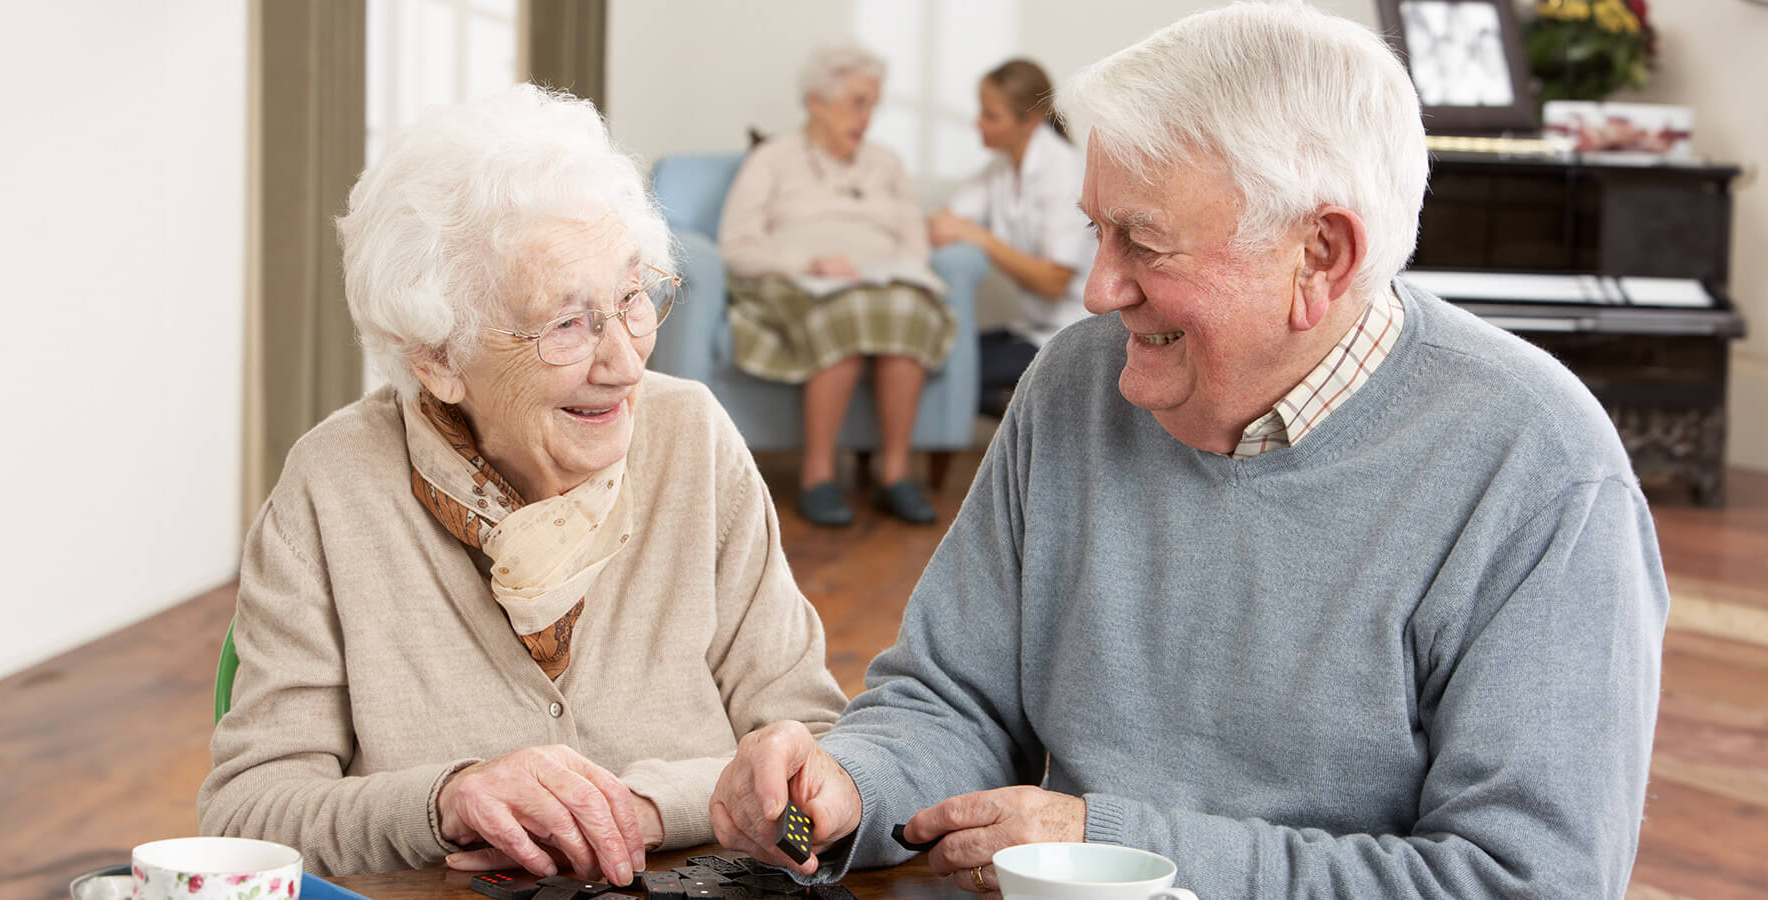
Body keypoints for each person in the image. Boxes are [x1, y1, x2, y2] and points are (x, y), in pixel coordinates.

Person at [708, 5, 1669, 899]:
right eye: (1097, 229)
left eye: (1144, 242)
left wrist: (1120, 847)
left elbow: (1528, 881)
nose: (1095, 287)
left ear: (1321, 256)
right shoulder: (1075, 383)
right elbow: (953, 699)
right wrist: (850, 785)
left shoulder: (1541, 467)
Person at [198, 85, 848, 882]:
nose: (625, 361)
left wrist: (640, 811)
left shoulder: (693, 441)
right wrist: (446, 801)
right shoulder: (333, 488)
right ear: (434, 356)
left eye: (632, 297)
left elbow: (813, 758)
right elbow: (246, 816)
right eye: (566, 324)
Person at [717, 45, 953, 528]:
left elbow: (913, 241)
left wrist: (905, 273)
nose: (867, 117)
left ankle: (894, 475)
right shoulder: (772, 158)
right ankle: (818, 476)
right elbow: (736, 245)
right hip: (799, 280)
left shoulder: (886, 164)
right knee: (843, 315)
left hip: (880, 281)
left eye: (873, 104)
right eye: (857, 102)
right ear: (817, 102)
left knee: (908, 310)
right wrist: (810, 262)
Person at [926, 58, 1096, 419]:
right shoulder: (1002, 168)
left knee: (951, 373)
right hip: (1034, 329)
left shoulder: (1064, 171)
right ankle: (1029, 408)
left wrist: (981, 238)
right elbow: (945, 222)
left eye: (991, 115)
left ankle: (1038, 411)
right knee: (934, 356)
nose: (978, 123)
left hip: (1077, 331)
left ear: (1029, 120)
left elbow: (1054, 281)